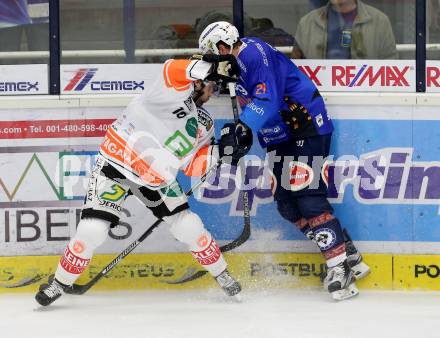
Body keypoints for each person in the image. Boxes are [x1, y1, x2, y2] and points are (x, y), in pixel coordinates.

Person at [35, 56, 246, 306]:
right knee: (91, 230)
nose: (213, 93)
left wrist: (224, 151)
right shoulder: (167, 91)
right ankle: (59, 283)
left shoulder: (204, 123)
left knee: (189, 226)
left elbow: (192, 165)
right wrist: (212, 66)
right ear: (199, 80)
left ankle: (222, 274)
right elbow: (173, 69)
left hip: (155, 180)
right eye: (212, 85)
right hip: (115, 166)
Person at [198, 21, 371, 301]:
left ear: (223, 45)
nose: (213, 59)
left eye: (213, 52)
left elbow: (267, 98)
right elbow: (226, 89)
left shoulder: (254, 54)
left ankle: (340, 269)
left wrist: (242, 126)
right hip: (279, 134)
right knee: (287, 204)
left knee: (308, 196)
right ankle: (346, 251)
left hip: (306, 125)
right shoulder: (230, 63)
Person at [292, 0, 397, 59]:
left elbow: (392, 68)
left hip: (366, 95)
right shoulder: (307, 23)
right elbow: (296, 72)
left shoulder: (379, 21)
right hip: (319, 95)